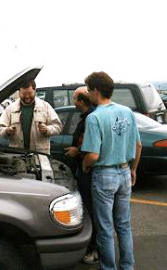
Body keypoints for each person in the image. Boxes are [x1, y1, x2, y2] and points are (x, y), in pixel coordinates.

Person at [81, 72, 142, 270]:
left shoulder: (94, 117)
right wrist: (133, 170)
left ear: (96, 91)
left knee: (105, 228)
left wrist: (84, 165)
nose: (88, 94)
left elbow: (93, 155)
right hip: (124, 172)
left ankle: (109, 268)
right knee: (124, 225)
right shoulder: (127, 112)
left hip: (104, 175)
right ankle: (127, 266)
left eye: (89, 90)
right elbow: (138, 146)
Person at [64, 86, 98, 264]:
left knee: (91, 210)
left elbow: (91, 149)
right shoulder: (86, 117)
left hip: (89, 171)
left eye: (74, 98)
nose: (72, 102)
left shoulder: (91, 119)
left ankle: (93, 248)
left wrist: (79, 154)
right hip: (86, 170)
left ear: (81, 101)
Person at [0, 79, 62, 154]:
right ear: (19, 92)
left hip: (40, 155)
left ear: (35, 91)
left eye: (30, 93)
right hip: (17, 155)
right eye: (24, 94)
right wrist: (7, 131)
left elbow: (58, 127)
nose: (27, 97)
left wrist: (47, 129)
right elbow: (0, 129)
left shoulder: (45, 107)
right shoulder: (10, 109)